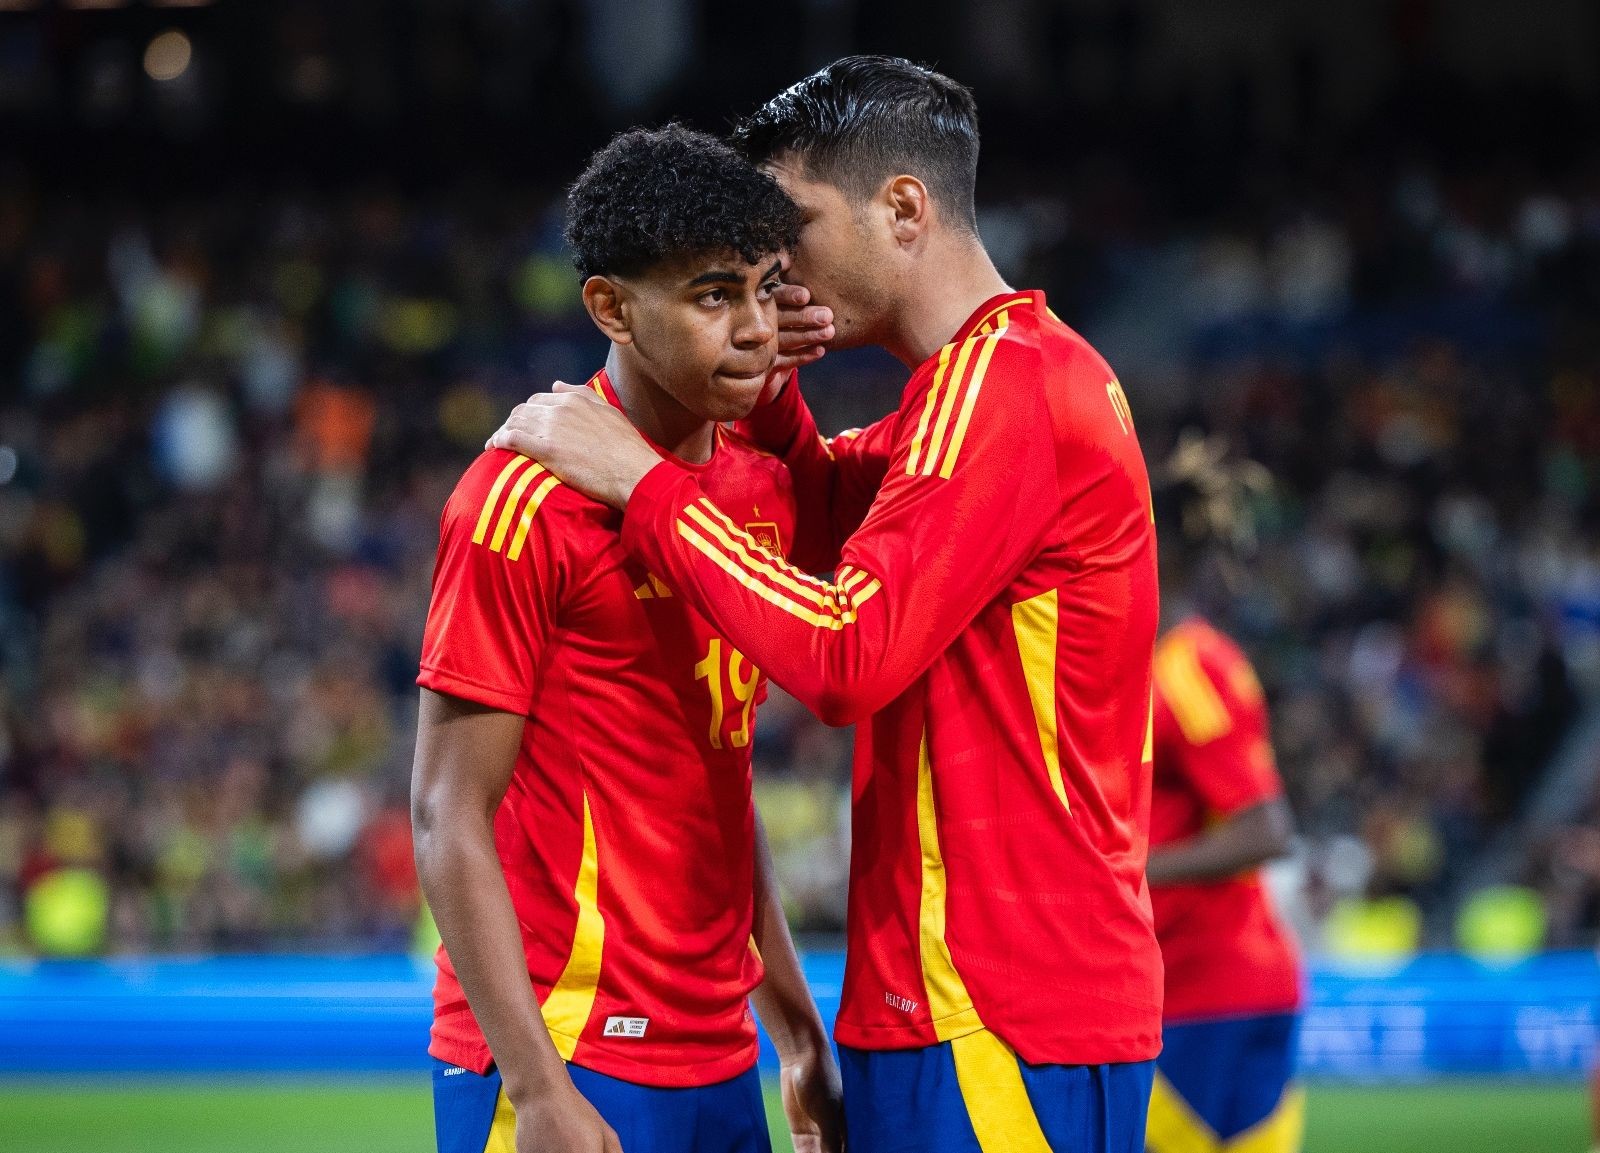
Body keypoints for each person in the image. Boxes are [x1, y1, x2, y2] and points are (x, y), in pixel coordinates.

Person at [491, 56, 1161, 1152]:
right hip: (954, 998)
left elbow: (846, 651)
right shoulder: (975, 393)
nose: (774, 264)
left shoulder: (1007, 388)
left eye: (793, 228)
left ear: (902, 208)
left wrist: (640, 479)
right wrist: (765, 394)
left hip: (1003, 1004)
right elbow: (817, 529)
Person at [410, 125, 841, 1153]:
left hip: (719, 1054)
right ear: (610, 307)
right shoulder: (520, 502)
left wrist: (793, 1027)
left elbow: (720, 781)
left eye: (765, 288)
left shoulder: (757, 490)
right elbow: (445, 810)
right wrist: (538, 1088)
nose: (754, 329)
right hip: (568, 1051)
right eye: (711, 296)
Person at [1143, 433, 1305, 1153]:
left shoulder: (1186, 668)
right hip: (1211, 984)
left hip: (1208, 988)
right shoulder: (1164, 661)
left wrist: (1125, 870)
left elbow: (1265, 827)